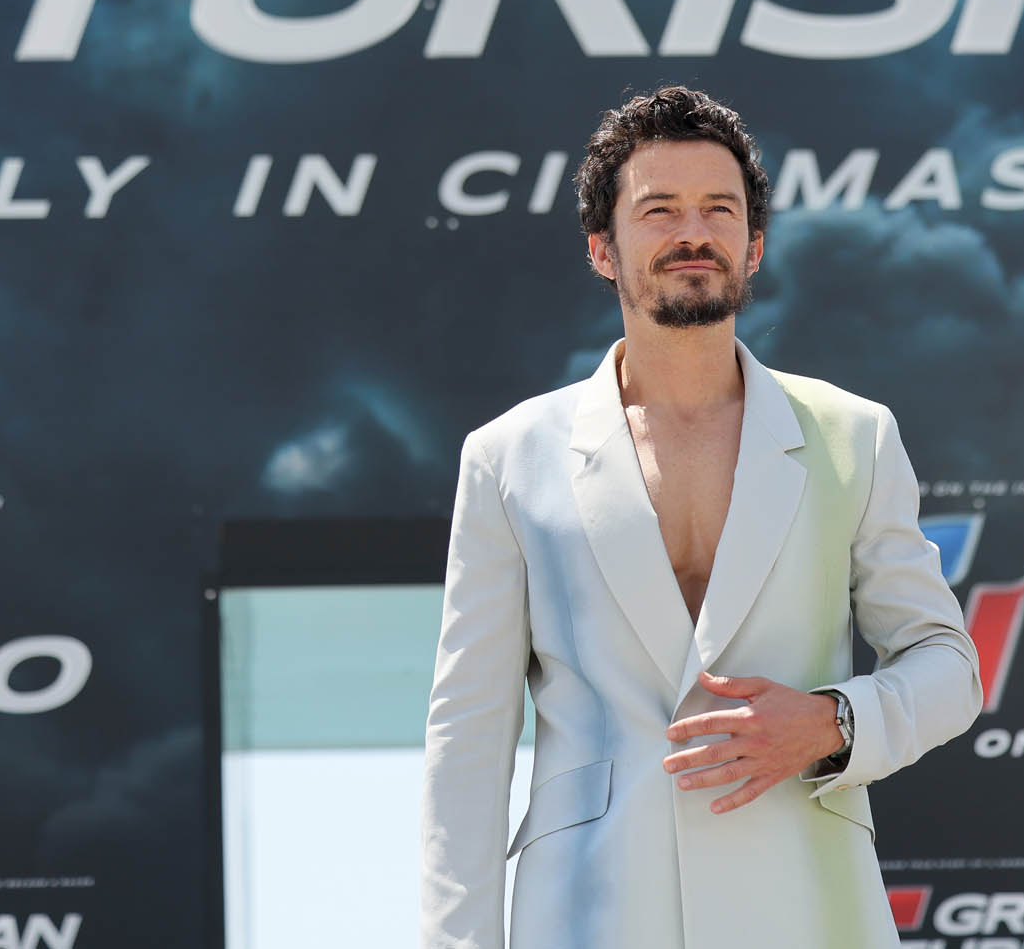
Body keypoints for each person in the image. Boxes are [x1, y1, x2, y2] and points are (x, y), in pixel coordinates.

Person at [420, 85, 984, 949]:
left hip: (808, 910)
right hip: (588, 915)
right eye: (660, 210)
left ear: (753, 247)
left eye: (719, 209)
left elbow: (948, 666)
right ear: (603, 249)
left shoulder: (852, 435)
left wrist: (834, 720)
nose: (694, 231)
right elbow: (468, 737)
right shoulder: (509, 455)